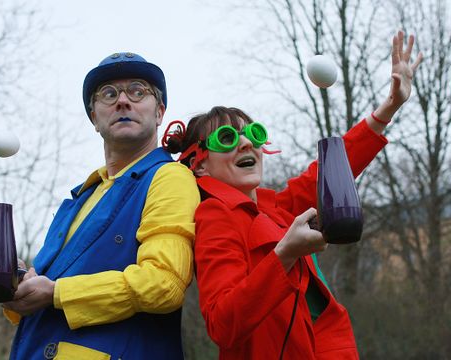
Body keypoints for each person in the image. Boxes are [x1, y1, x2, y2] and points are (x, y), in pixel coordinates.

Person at [162, 31, 423, 359]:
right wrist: (284, 254)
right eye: (227, 138)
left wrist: (390, 106)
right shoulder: (215, 216)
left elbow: (330, 171)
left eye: (253, 134)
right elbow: (222, 323)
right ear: (200, 166)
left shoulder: (276, 208)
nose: (247, 144)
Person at [2, 52, 200, 359]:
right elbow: (43, 283)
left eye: (138, 91)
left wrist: (55, 293)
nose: (123, 101)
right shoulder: (80, 197)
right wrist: (19, 287)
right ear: (94, 118)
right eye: (108, 94)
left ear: (160, 112)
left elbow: (163, 284)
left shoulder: (169, 177)